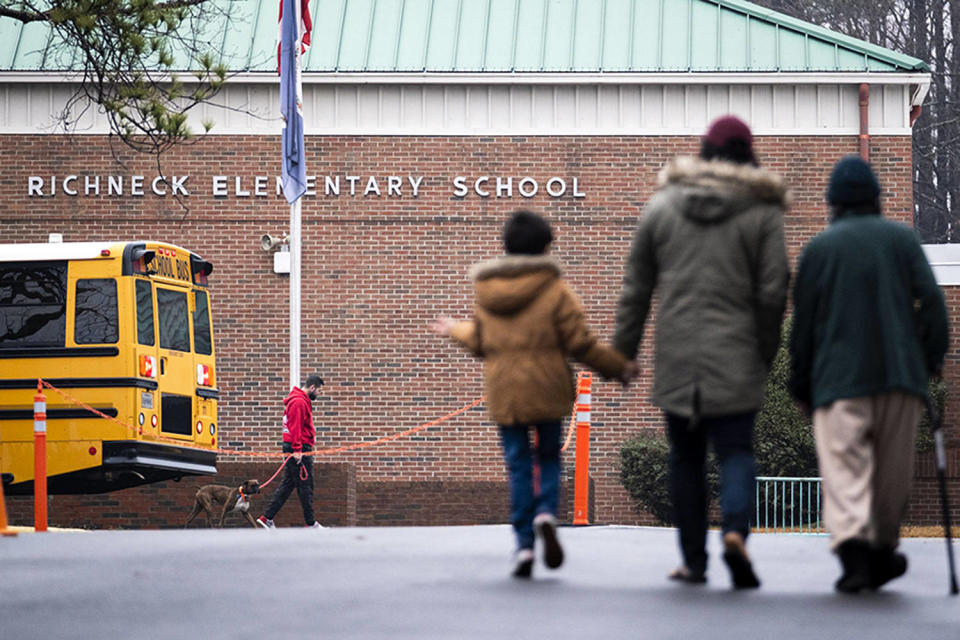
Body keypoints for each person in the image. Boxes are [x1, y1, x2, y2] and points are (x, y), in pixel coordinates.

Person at [613, 115, 789, 589]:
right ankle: (734, 531)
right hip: (737, 355)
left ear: (704, 153)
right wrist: (766, 350)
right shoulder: (762, 212)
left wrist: (623, 354)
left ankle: (693, 561)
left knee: (685, 458)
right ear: (748, 156)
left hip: (679, 358)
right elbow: (774, 292)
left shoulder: (663, 206)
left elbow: (636, 288)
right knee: (735, 451)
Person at [432, 210, 636, 578]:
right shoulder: (555, 290)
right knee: (548, 457)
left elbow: (481, 341)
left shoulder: (487, 291)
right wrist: (617, 367)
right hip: (548, 388)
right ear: (545, 248)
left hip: (505, 391)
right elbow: (580, 343)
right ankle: (545, 512)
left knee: (518, 464)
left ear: (505, 247)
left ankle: (524, 545)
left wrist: (454, 329)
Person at [789, 155, 949, 593]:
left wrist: (800, 383)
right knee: (891, 473)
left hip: (839, 383)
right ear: (877, 198)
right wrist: (931, 360)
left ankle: (855, 552)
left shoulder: (819, 251)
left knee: (844, 470)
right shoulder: (902, 241)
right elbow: (934, 307)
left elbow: (802, 329)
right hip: (900, 378)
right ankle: (881, 548)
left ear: (833, 203)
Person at [257, 375, 326, 529]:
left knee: (289, 484)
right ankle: (310, 524)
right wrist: (297, 450)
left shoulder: (299, 400)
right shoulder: (299, 402)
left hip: (298, 448)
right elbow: (295, 427)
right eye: (319, 391)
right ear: (312, 388)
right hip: (298, 449)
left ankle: (267, 518)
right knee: (306, 486)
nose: (319, 394)